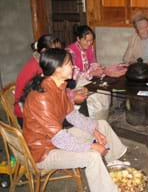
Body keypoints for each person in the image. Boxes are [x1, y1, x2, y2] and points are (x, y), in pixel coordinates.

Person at [22, 48, 127, 192]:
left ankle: (114, 165)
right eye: (68, 63)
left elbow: (72, 115)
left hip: (54, 140)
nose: (73, 66)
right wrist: (92, 146)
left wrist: (94, 131)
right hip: (43, 151)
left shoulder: (58, 87)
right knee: (92, 157)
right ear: (56, 69)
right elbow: (61, 139)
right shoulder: (42, 97)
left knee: (101, 124)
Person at [14, 34, 88, 127]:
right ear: (44, 51)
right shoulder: (40, 69)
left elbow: (56, 90)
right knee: (79, 111)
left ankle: (86, 134)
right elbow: (47, 101)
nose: (60, 55)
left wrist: (72, 94)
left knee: (80, 105)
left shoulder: (45, 63)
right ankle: (82, 137)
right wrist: (72, 98)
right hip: (30, 117)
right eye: (56, 51)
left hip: (43, 109)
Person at [66, 25, 112, 120]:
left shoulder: (90, 48)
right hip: (75, 81)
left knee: (104, 88)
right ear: (78, 38)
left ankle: (103, 118)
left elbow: (93, 62)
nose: (89, 43)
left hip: (88, 76)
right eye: (86, 40)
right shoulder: (70, 51)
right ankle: (91, 120)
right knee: (95, 94)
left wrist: (98, 69)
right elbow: (73, 72)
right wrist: (91, 74)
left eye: (91, 41)